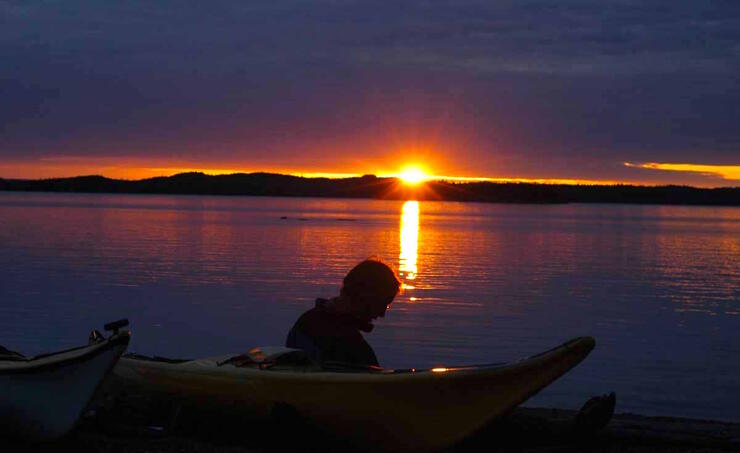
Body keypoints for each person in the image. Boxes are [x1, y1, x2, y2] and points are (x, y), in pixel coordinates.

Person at [286, 258, 401, 367]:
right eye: (383, 304)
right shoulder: (355, 349)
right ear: (365, 297)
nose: (382, 314)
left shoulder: (305, 322)